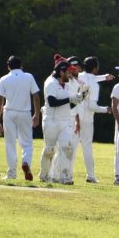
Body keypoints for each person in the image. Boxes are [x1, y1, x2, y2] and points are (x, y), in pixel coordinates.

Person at [38, 55, 84, 184]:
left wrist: (78, 100)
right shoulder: (50, 83)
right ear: (61, 72)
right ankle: (44, 175)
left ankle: (64, 177)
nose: (70, 74)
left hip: (65, 121)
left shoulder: (67, 85)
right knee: (50, 149)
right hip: (51, 120)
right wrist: (70, 99)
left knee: (67, 147)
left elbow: (68, 105)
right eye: (68, 72)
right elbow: (52, 102)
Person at [0, 56, 41, 180]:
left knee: (10, 143)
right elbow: (36, 96)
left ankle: (11, 173)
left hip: (8, 113)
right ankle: (26, 162)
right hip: (24, 112)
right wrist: (37, 114)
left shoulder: (3, 79)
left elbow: (0, 101)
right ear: (21, 65)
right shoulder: (29, 77)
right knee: (27, 143)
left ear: (8, 66)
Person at [75, 56, 114, 183]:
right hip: (86, 118)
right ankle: (91, 176)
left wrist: (104, 77)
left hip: (73, 115)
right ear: (95, 68)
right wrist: (107, 109)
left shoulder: (78, 76)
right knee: (86, 146)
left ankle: (59, 173)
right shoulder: (94, 85)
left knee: (69, 144)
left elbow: (89, 79)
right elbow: (92, 106)